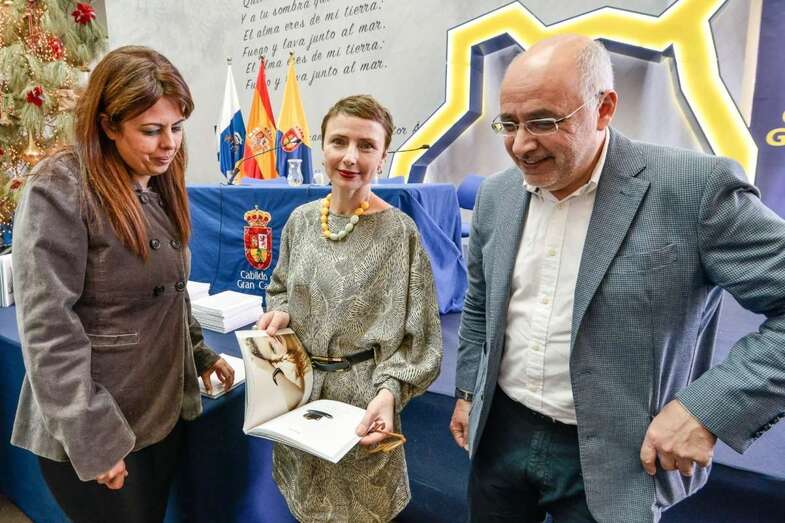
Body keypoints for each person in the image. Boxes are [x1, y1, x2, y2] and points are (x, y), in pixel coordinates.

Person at [449, 34, 785, 522]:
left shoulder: (695, 189)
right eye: (509, 123)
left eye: (544, 121)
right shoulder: (497, 196)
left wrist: (706, 409)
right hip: (501, 432)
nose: (521, 145)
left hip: (617, 456)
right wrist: (465, 393)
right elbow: (481, 304)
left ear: (604, 108)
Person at [11, 46, 234, 523]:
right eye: (151, 131)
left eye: (176, 127)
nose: (169, 144)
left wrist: (199, 352)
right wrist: (92, 437)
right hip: (94, 421)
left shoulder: (157, 175)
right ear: (108, 125)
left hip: (155, 410)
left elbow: (171, 289)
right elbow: (48, 328)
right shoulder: (61, 185)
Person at [257, 94, 443, 521]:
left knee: (361, 507)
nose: (350, 157)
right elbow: (279, 288)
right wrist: (281, 312)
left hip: (363, 398)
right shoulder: (301, 221)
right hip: (300, 390)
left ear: (383, 157)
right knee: (305, 500)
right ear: (321, 146)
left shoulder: (400, 234)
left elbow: (422, 337)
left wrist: (388, 392)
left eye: (367, 146)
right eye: (339, 141)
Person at [245, 334, 311, 410]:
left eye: (267, 335)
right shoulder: (298, 370)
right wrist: (270, 369)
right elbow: (297, 399)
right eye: (273, 348)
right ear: (276, 361)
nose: (273, 339)